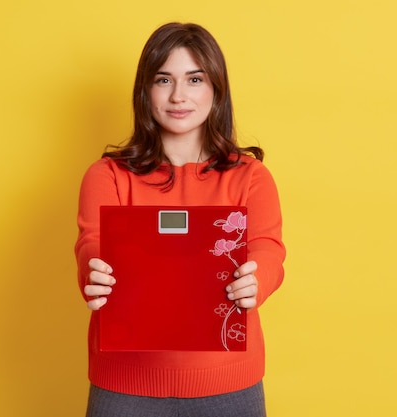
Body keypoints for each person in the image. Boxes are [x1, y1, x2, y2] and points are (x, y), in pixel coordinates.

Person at [75, 22, 286, 417]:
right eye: (163, 79)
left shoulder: (250, 176)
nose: (178, 95)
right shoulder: (107, 176)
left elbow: (267, 247)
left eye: (194, 79)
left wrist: (259, 279)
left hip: (228, 385)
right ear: (145, 90)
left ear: (215, 89)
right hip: (124, 386)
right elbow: (92, 241)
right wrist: (94, 269)